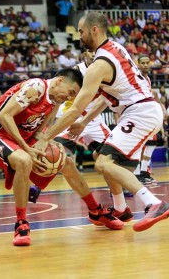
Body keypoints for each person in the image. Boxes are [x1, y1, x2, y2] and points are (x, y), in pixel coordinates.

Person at [34, 12, 169, 233]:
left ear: (94, 30)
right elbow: (106, 99)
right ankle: (121, 208)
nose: (79, 36)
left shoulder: (99, 65)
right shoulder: (116, 48)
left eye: (81, 31)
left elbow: (75, 108)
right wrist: (84, 122)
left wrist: (45, 137)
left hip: (139, 112)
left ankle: (154, 203)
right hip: (140, 111)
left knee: (103, 163)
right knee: (102, 158)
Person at [0, 69, 124, 247]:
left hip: (23, 135)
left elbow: (40, 130)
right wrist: (26, 148)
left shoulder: (55, 100)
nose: (70, 98)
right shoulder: (36, 88)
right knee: (24, 160)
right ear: (59, 81)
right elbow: (4, 116)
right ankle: (21, 223)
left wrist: (45, 143)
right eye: (70, 92)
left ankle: (95, 210)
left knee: (66, 162)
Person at [134, 54, 166, 184]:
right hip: (137, 114)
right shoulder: (136, 77)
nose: (146, 65)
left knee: (152, 142)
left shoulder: (147, 78)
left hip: (147, 114)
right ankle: (136, 174)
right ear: (138, 63)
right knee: (138, 145)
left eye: (148, 62)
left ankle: (143, 172)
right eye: (143, 63)